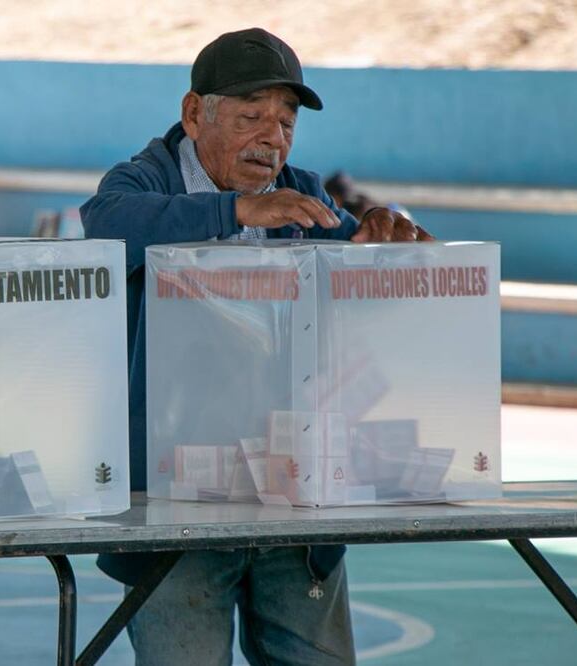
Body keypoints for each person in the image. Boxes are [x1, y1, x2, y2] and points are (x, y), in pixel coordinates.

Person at [81, 28, 433, 665]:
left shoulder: (303, 192)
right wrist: (234, 211)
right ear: (195, 113)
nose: (273, 138)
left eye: (287, 121)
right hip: (175, 506)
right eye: (252, 117)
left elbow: (367, 267)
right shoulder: (140, 182)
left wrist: (390, 234)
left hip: (291, 490)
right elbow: (105, 225)